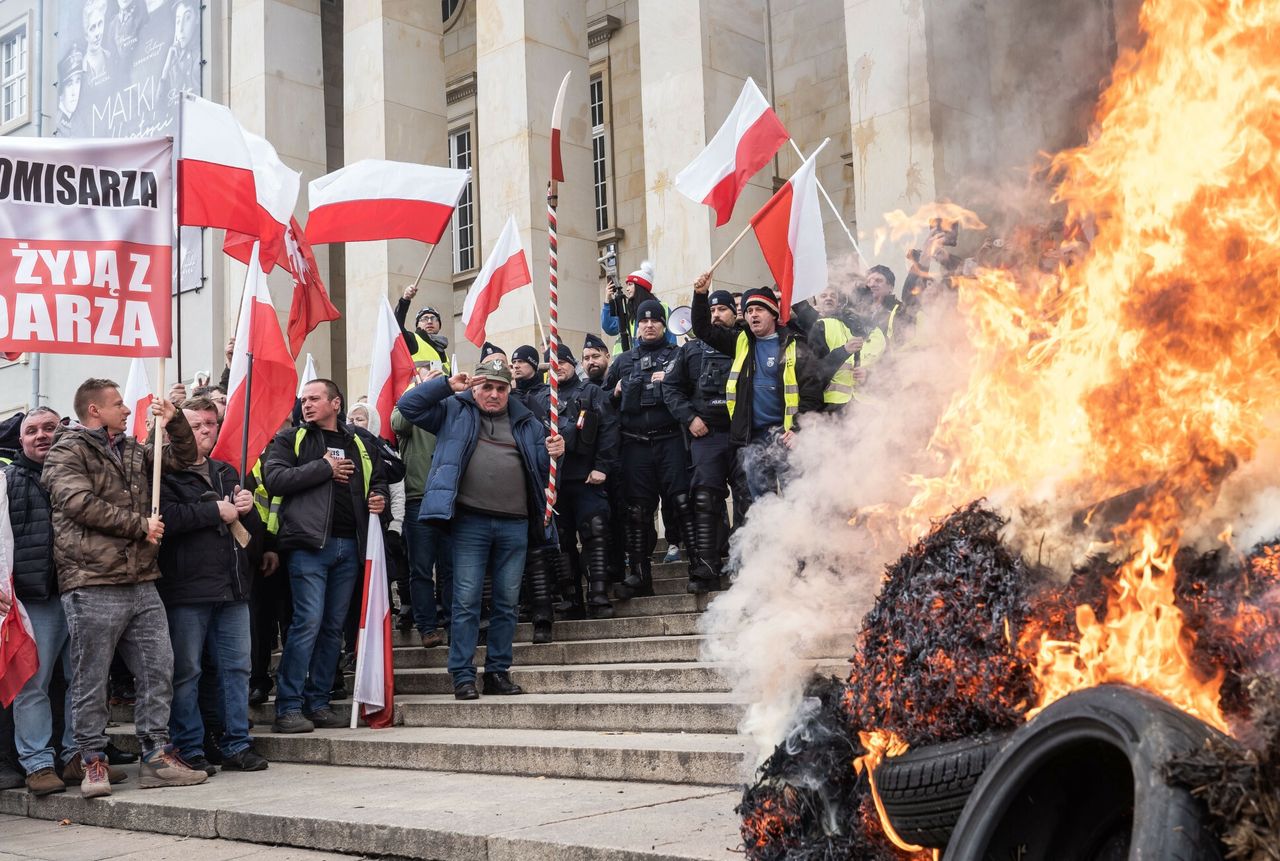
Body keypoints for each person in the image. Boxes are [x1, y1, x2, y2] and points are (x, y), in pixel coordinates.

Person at [42, 378, 207, 797]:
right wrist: (140, 526)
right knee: (91, 677)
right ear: (94, 410)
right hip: (92, 580)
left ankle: (155, 754)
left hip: (142, 580)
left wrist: (175, 424)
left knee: (158, 669)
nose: (128, 409)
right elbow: (76, 502)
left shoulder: (133, 449)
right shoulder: (67, 450)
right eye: (118, 404)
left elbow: (185, 458)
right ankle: (92, 760)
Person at [397, 358, 563, 700]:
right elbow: (407, 407)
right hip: (469, 522)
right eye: (486, 386)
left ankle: (498, 671)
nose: (493, 394)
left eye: (501, 388)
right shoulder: (452, 411)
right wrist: (445, 384)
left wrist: (559, 451)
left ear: (509, 390)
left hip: (516, 523)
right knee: (467, 600)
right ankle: (462, 674)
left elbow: (542, 469)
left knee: (507, 603)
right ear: (475, 387)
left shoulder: (528, 422)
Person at [263, 380, 388, 734]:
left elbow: (379, 478)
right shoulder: (292, 440)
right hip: (309, 547)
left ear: (336, 402)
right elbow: (274, 479)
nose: (306, 404)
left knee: (333, 629)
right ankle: (288, 708)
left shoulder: (360, 441)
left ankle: (317, 703)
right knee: (307, 624)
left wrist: (379, 496)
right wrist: (324, 468)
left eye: (314, 399)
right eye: (303, 399)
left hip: (350, 547)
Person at [156, 398, 268, 775]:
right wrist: (211, 511)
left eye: (211, 423)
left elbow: (250, 537)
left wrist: (249, 511)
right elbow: (164, 520)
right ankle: (189, 746)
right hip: (186, 590)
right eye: (197, 425)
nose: (206, 430)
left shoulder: (227, 470)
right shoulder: (162, 471)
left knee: (237, 669)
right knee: (187, 672)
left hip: (233, 588)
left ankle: (237, 743)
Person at [691, 278, 824, 503]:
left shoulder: (794, 344)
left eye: (759, 309)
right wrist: (700, 294)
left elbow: (812, 391)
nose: (752, 314)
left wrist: (799, 429)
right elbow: (703, 329)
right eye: (749, 310)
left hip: (786, 437)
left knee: (798, 502)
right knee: (763, 505)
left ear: (773, 313)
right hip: (753, 438)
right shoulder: (740, 340)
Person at [6, 408, 78, 796]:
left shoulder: (77, 474)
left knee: (82, 682)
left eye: (49, 428)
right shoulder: (8, 481)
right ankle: (37, 764)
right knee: (34, 684)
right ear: (21, 441)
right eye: (31, 431)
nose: (41, 436)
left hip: (82, 591)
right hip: (36, 599)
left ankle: (76, 757)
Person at [605, 301, 691, 599]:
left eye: (655, 320)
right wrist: (614, 392)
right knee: (638, 512)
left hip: (670, 440)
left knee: (682, 503)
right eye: (644, 321)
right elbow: (602, 401)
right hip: (635, 444)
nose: (649, 325)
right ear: (636, 326)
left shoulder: (678, 355)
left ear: (664, 325)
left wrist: (670, 381)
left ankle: (697, 567)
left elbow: (692, 391)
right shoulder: (623, 360)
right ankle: (640, 575)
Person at [663, 290, 743, 592]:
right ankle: (706, 568)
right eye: (712, 310)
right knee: (705, 500)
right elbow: (670, 389)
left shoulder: (744, 344)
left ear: (734, 313)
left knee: (748, 499)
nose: (717, 315)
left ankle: (746, 565)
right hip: (706, 434)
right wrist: (690, 418)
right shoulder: (691, 350)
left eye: (723, 309)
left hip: (741, 434)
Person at [545, 344, 619, 623]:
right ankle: (571, 598)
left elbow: (609, 430)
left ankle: (598, 595)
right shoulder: (543, 398)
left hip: (587, 477)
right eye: (553, 364)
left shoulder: (591, 392)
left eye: (563, 362)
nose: (559, 367)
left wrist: (602, 466)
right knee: (562, 542)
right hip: (558, 482)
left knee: (595, 533)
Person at [392, 365, 453, 649]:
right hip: (418, 498)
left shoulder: (451, 407)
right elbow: (398, 424)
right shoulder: (405, 408)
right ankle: (427, 626)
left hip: (451, 498)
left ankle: (453, 620)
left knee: (451, 566)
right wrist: (422, 390)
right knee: (420, 568)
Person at [793, 285, 886, 411]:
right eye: (823, 295)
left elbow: (888, 372)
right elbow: (814, 374)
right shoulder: (821, 326)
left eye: (833, 296)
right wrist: (843, 351)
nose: (828, 299)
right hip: (832, 408)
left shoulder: (874, 333)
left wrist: (868, 375)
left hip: (865, 408)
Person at [601, 262, 675, 352]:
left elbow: (671, 337)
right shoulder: (628, 310)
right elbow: (610, 328)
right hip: (626, 362)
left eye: (630, 284)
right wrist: (607, 300)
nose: (627, 289)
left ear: (640, 286)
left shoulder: (662, 308)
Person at [395, 286, 451, 373]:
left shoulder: (444, 352)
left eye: (433, 318)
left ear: (439, 325)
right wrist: (405, 300)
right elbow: (396, 326)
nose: (429, 321)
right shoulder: (412, 340)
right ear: (417, 325)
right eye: (424, 319)